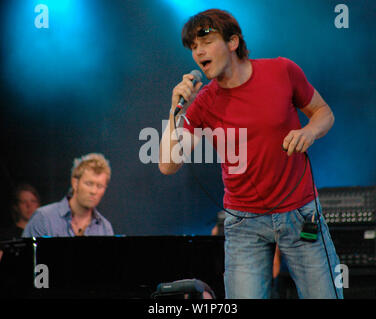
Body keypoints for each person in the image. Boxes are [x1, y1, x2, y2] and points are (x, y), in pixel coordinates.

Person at [159, 9, 343, 299]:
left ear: (233, 42)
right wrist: (175, 111)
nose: (198, 52)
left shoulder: (282, 71)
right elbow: (168, 165)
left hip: (300, 212)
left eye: (205, 42)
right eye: (193, 47)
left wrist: (309, 132)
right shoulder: (205, 101)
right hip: (244, 223)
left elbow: (324, 113)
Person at [22, 153, 114, 237]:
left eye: (100, 186)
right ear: (75, 183)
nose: (94, 191)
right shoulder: (44, 218)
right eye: (89, 184)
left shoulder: (104, 228)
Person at [0, 183, 40, 273]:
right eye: (23, 202)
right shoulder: (5, 235)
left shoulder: (45, 232)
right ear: (16, 207)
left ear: (38, 205)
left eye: (33, 201)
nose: (29, 205)